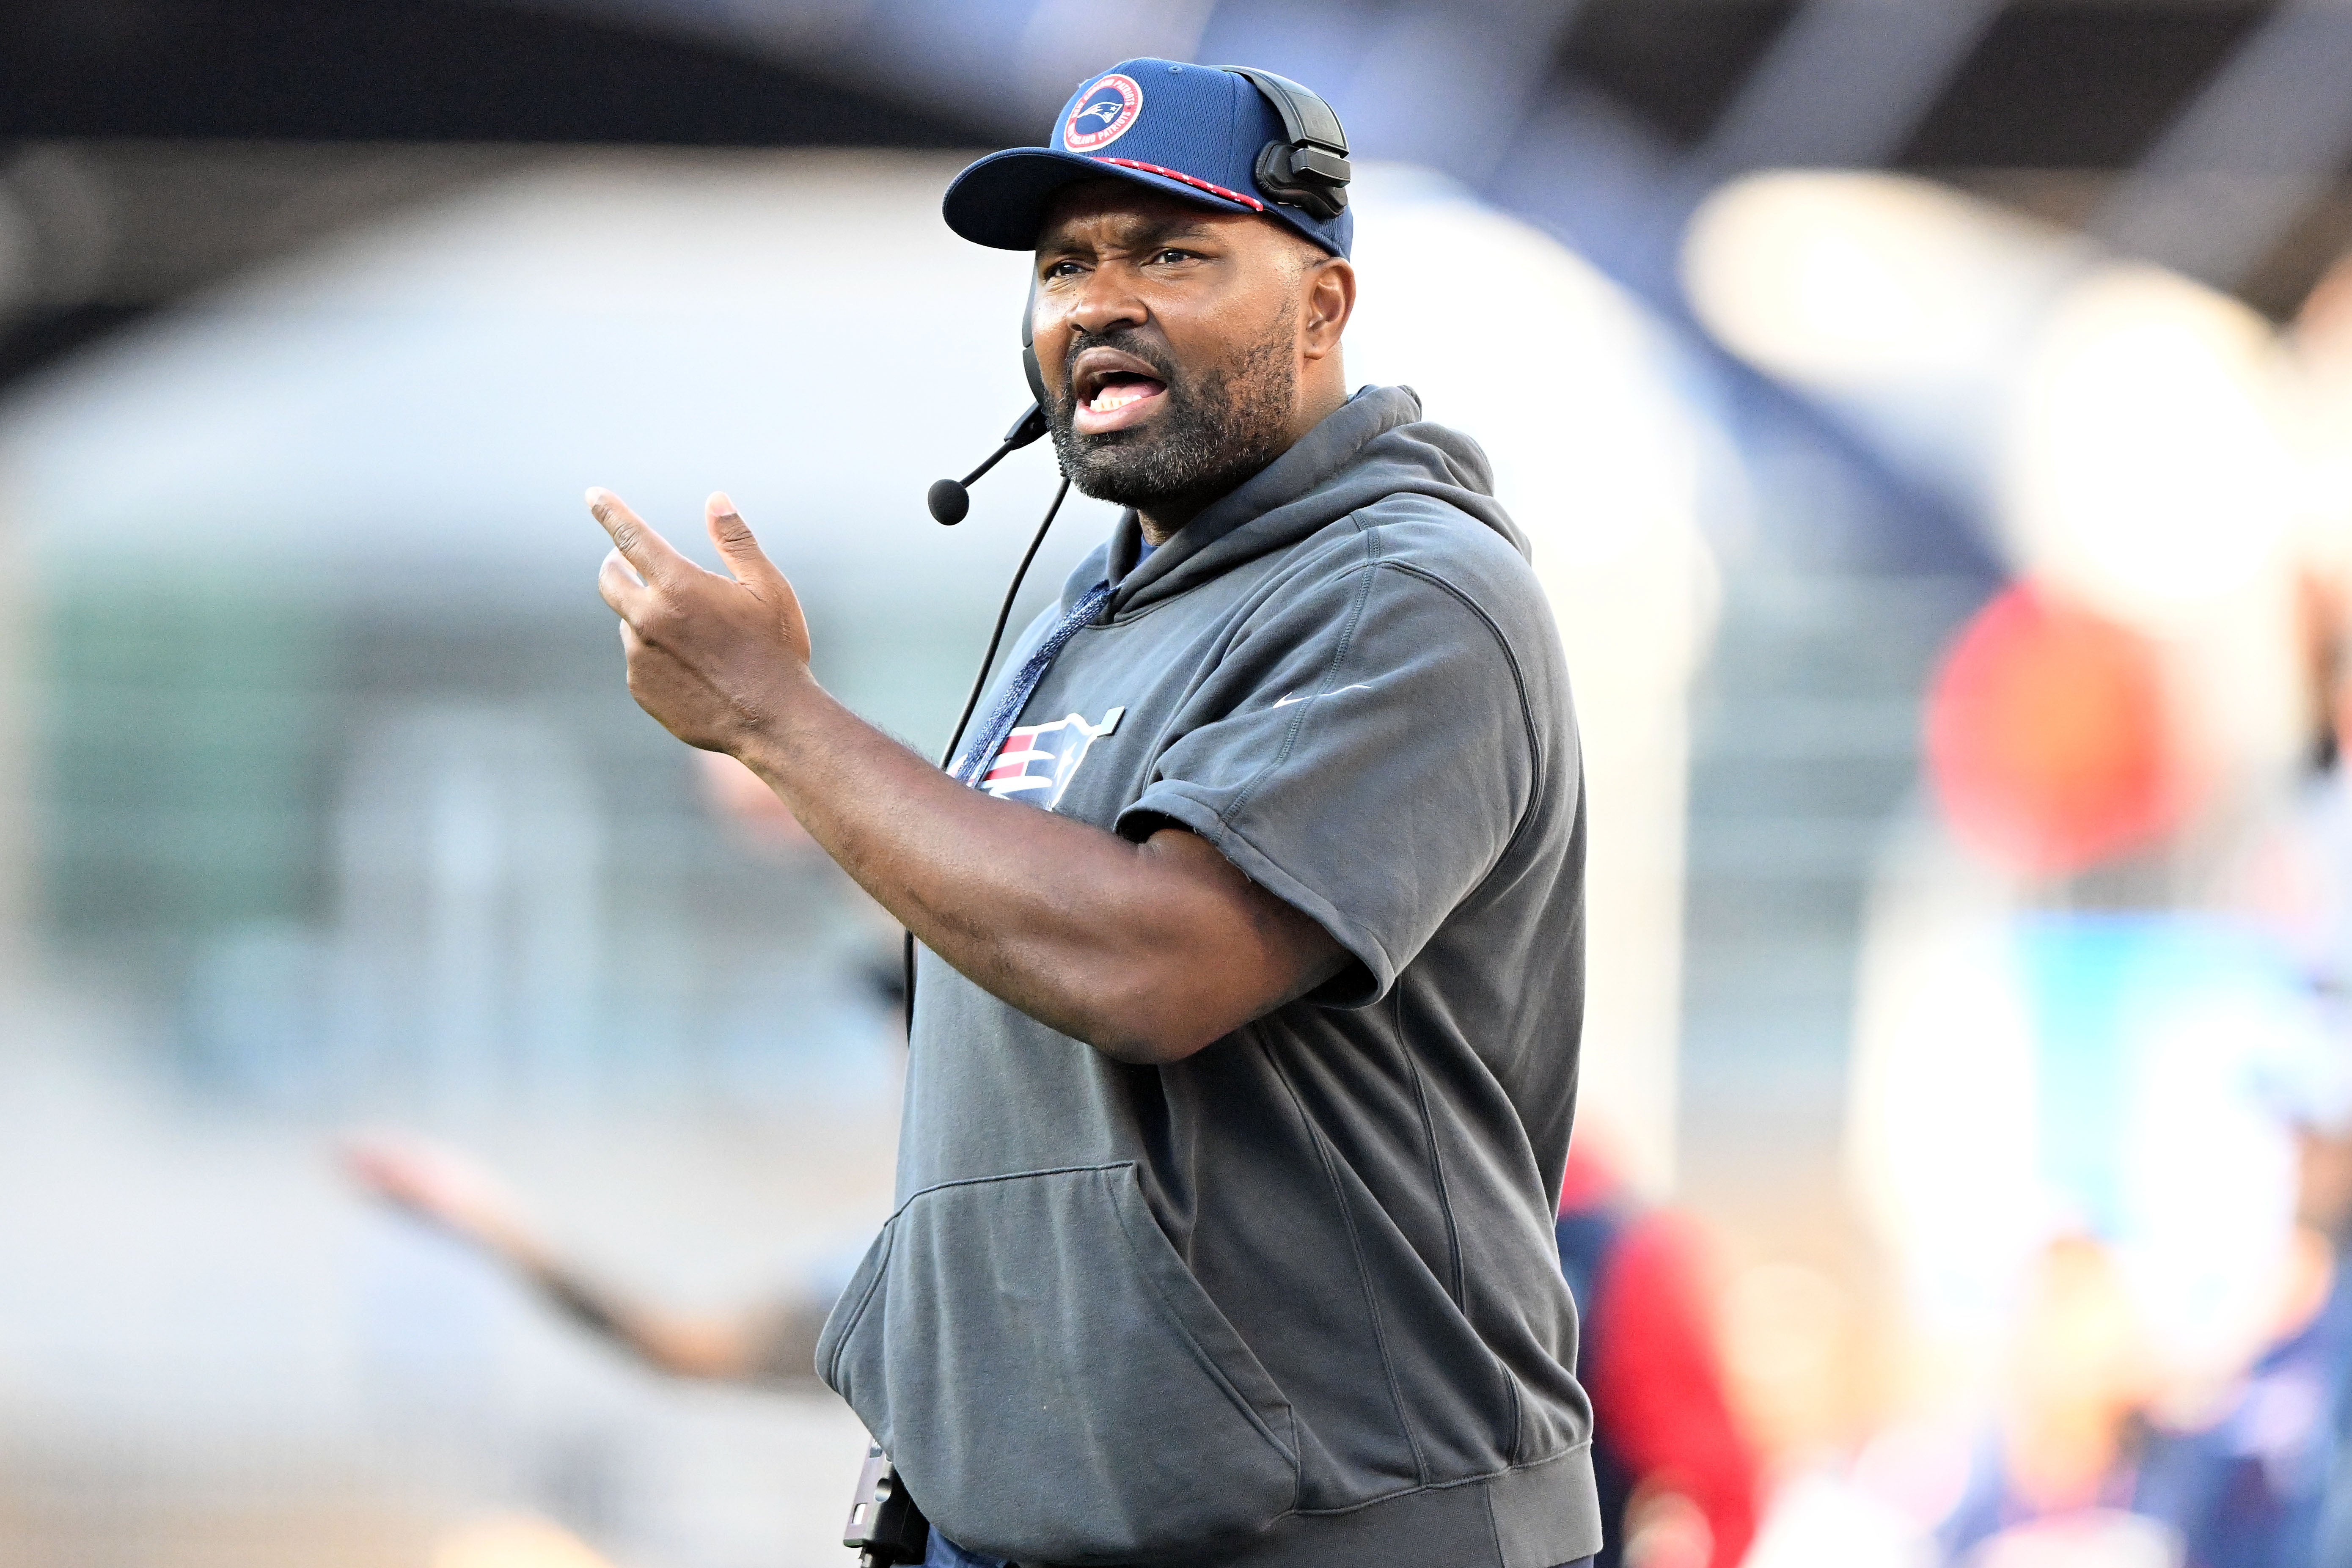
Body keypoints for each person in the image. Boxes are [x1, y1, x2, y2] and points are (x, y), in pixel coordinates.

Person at [584, 58, 1598, 1568]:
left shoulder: (1408, 590)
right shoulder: (1084, 611)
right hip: (1031, 1519)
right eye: (1066, 263)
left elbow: (1155, 963)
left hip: (1340, 1527)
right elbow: (1008, 957)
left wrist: (779, 718)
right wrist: (799, 781)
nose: (1096, 301)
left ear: (1322, 305)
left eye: (1174, 251)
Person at [341, 1132, 836, 1386]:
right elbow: (687, 1345)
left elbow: (687, 1347)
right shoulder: (891, 1256)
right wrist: (490, 1216)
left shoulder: (900, 1255)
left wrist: (492, 1217)